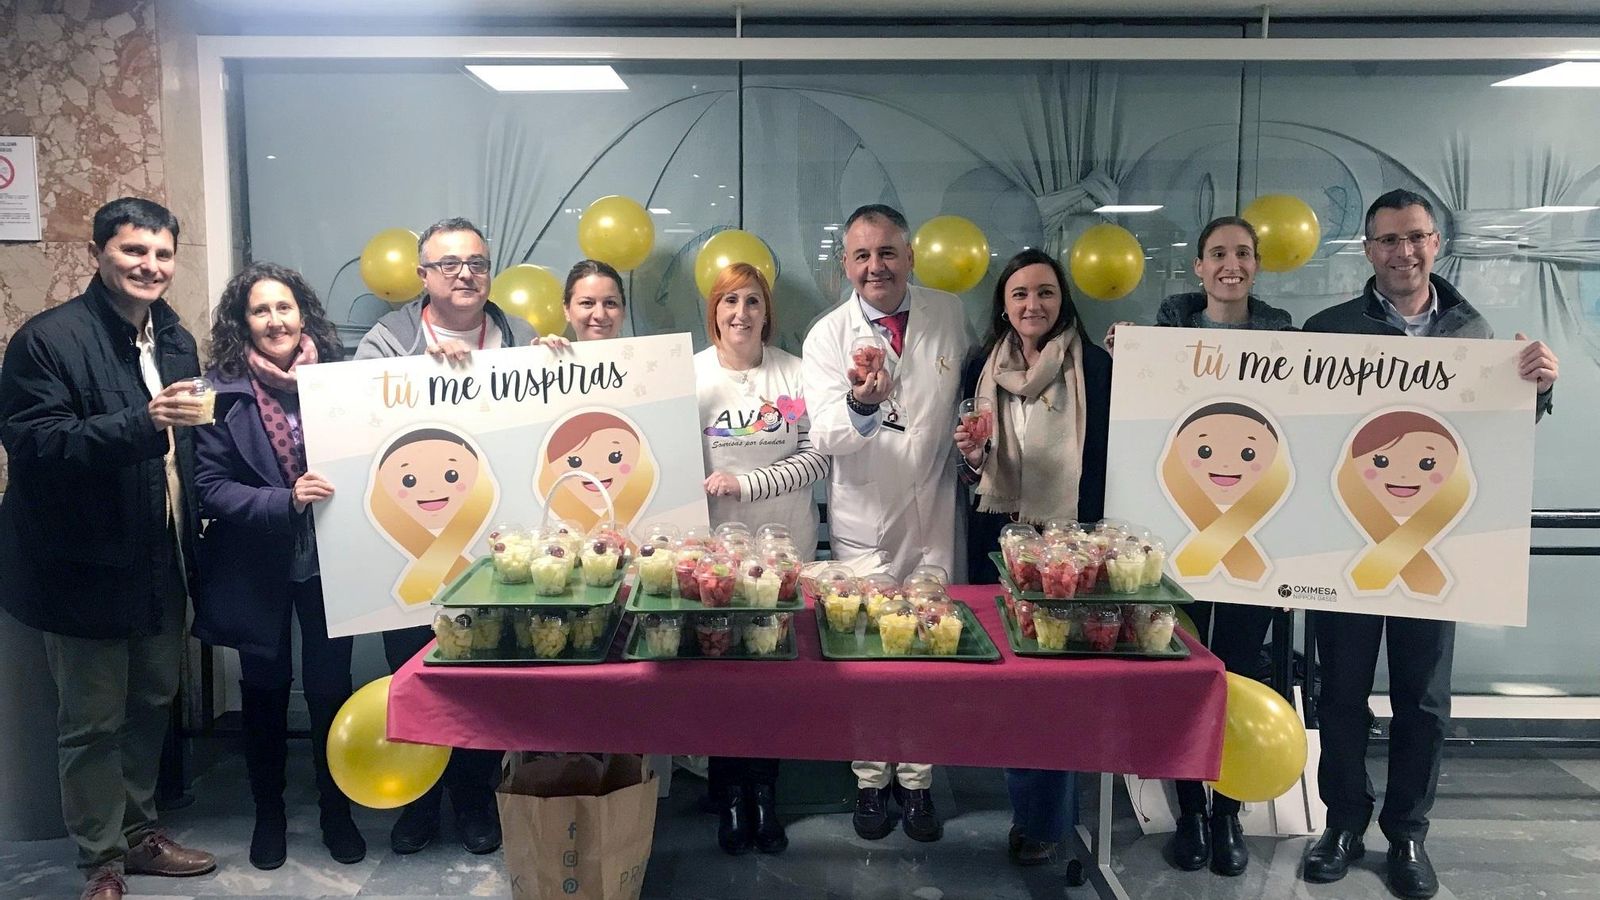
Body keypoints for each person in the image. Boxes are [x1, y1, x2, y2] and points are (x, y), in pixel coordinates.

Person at [1299, 189, 1558, 900]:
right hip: (1345, 549)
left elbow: (1495, 440)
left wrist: (1536, 390)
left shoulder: (1476, 334)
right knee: (1340, 695)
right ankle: (1343, 824)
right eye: (1387, 240)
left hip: (1437, 551)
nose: (1403, 252)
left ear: (1437, 243)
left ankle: (1408, 833)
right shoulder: (1327, 330)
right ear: (1368, 251)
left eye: (1414, 236)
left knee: (1424, 701)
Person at [0, 198, 217, 900]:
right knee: (92, 721)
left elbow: (186, 451)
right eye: (133, 251)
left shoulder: (175, 339)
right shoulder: (46, 340)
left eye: (162, 254)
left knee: (153, 699)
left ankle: (139, 832)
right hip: (79, 563)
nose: (150, 266)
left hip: (158, 553)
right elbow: (35, 443)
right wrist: (141, 422)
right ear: (98, 253)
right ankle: (100, 861)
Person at [1113, 216, 1296, 877]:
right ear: (1197, 266)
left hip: (1253, 542)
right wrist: (1127, 354)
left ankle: (1228, 814)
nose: (1230, 265)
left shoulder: (1287, 343)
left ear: (1257, 264)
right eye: (1217, 253)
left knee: (1240, 674)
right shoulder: (1164, 339)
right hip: (1180, 539)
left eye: (1243, 253)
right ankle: (1190, 809)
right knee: (1184, 672)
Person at [355, 217, 536, 855]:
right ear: (422, 275)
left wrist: (560, 363)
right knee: (415, 675)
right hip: (410, 549)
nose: (466, 275)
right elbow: (358, 422)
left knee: (484, 677)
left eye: (477, 263)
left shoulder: (521, 338)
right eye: (450, 264)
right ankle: (418, 802)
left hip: (491, 547)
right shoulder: (387, 341)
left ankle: (474, 800)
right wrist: (417, 375)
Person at [801, 203, 973, 844]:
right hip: (864, 520)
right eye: (862, 256)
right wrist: (861, 404)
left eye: (888, 252)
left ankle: (918, 784)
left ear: (910, 257)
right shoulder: (827, 336)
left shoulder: (948, 313)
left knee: (929, 650)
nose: (876, 266)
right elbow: (825, 435)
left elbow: (977, 389)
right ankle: (871, 780)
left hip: (934, 514)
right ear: (846, 265)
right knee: (867, 652)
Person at [191, 262, 363, 870]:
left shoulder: (340, 380)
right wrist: (284, 500)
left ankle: (337, 810)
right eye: (260, 310)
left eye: (284, 307)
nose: (275, 320)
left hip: (331, 561)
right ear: (243, 321)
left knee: (330, 690)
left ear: (302, 313)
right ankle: (270, 815)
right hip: (255, 563)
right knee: (264, 691)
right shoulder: (218, 390)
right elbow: (209, 486)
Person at [952, 248, 1111, 866]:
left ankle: (1047, 818)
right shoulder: (981, 366)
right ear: (1003, 304)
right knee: (1016, 682)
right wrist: (971, 456)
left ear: (1062, 299)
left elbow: (1108, 460)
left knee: (1060, 682)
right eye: (1019, 294)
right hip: (999, 541)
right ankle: (1035, 809)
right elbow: (971, 471)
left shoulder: (1094, 367)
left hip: (1069, 543)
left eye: (1045, 292)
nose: (1032, 304)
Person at [695, 263, 829, 856]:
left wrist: (746, 484)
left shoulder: (794, 375)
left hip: (784, 551)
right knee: (721, 675)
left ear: (767, 311)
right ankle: (728, 793)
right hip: (714, 559)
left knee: (772, 673)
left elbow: (817, 457)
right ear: (714, 311)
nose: (741, 313)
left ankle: (764, 793)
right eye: (729, 301)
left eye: (752, 301)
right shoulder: (691, 377)